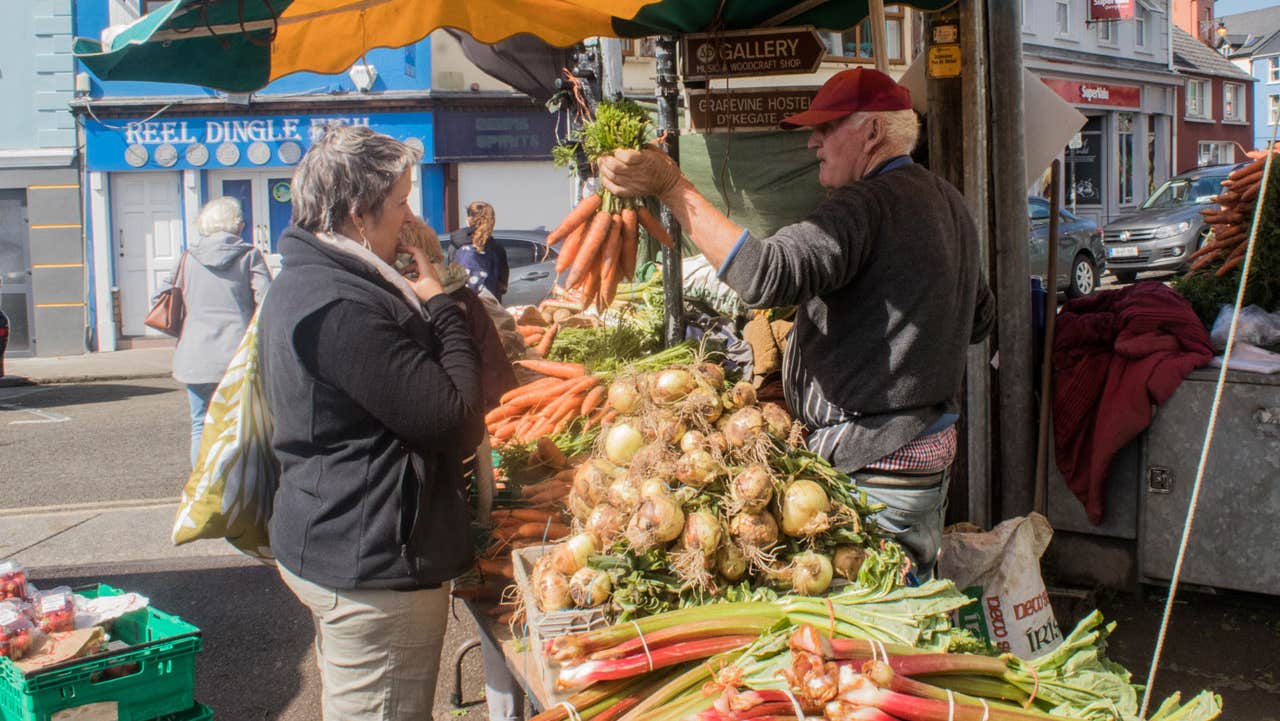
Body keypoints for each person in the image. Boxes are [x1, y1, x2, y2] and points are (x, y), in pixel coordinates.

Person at [598, 68, 995, 580]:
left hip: (876, 462)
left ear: (872, 132)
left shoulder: (865, 205)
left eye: (827, 129)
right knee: (903, 595)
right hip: (926, 452)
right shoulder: (949, 202)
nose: (813, 143)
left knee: (870, 620)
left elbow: (766, 276)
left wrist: (672, 186)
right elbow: (979, 319)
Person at [258, 124, 484, 721]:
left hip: (342, 539)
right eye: (402, 201)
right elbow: (456, 419)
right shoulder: (341, 306)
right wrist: (439, 297)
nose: (411, 215)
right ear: (359, 213)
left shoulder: (316, 275)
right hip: (374, 561)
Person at [167, 196, 270, 468]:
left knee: (200, 423)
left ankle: (201, 486)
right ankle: (235, 486)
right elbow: (267, 301)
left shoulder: (188, 257)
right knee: (239, 425)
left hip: (195, 354)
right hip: (237, 356)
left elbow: (165, 296)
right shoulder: (249, 255)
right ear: (236, 223)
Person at [453, 201, 510, 302]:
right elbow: (503, 285)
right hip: (489, 308)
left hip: (462, 307)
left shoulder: (455, 244)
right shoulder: (496, 248)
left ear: (468, 220)